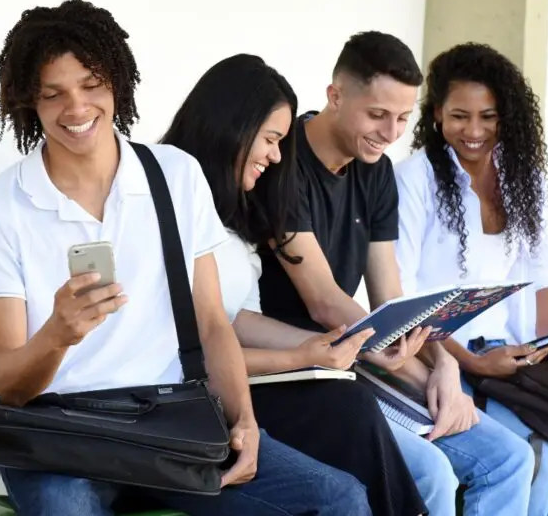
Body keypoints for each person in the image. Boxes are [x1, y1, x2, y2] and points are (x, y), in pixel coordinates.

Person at [0, 0, 372, 516]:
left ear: (117, 84)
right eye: (52, 94)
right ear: (29, 102)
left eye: (91, 85)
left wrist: (243, 419)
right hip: (54, 436)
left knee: (339, 499)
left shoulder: (174, 176)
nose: (77, 108)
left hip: (167, 423)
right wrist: (58, 334)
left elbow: (213, 324)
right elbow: (8, 384)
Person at [257, 31, 536, 516]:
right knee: (432, 473)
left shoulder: (376, 170)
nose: (390, 133)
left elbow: (389, 292)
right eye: (377, 115)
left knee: (508, 458)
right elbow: (323, 299)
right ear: (335, 96)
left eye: (403, 118)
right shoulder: (285, 164)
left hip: (356, 350)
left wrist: (443, 365)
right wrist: (407, 359)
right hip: (299, 361)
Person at [161, 53, 427, 516]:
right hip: (189, 397)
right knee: (346, 409)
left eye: (281, 141)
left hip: (234, 385)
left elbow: (238, 319)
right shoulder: (162, 195)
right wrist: (299, 355)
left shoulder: (237, 212)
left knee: (347, 402)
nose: (277, 155)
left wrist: (328, 345)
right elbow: (186, 352)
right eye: (269, 139)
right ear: (232, 127)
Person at [394, 42, 548, 516]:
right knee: (512, 458)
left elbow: (543, 276)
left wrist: (546, 347)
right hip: (437, 356)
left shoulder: (525, 180)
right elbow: (401, 292)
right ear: (437, 113)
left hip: (509, 359)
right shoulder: (415, 178)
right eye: (460, 116)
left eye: (488, 116)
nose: (474, 130)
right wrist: (472, 363)